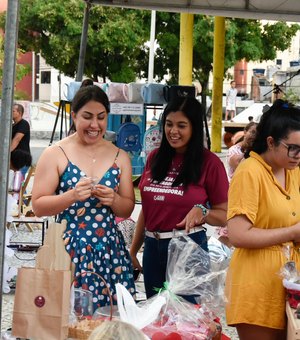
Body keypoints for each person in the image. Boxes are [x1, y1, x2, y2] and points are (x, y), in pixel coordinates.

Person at [32, 85, 136, 311]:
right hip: (68, 250)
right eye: (87, 117)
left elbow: (127, 208)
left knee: (110, 321)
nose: (94, 125)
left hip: (110, 252)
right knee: (67, 319)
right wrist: (71, 196)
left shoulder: (120, 156)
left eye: (101, 117)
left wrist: (113, 200)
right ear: (74, 116)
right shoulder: (56, 153)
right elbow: (38, 205)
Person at [130, 97, 229, 300]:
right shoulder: (154, 158)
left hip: (187, 249)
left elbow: (226, 214)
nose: (173, 131)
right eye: (169, 124)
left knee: (185, 323)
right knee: (155, 318)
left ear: (194, 128)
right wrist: (133, 250)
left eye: (181, 125)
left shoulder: (210, 163)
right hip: (152, 249)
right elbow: (147, 211)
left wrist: (203, 212)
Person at [225, 99, 300, 340]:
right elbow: (238, 234)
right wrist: (292, 233)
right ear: (270, 142)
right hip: (256, 286)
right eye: (293, 148)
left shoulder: (293, 171)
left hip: (289, 283)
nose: (298, 156)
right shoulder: (250, 172)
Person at [11, 103, 31, 177]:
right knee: (15, 184)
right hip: (14, 160)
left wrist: (7, 153)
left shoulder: (24, 124)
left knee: (17, 183)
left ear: (19, 113)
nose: (10, 113)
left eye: (13, 111)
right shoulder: (13, 125)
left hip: (22, 159)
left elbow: (17, 139)